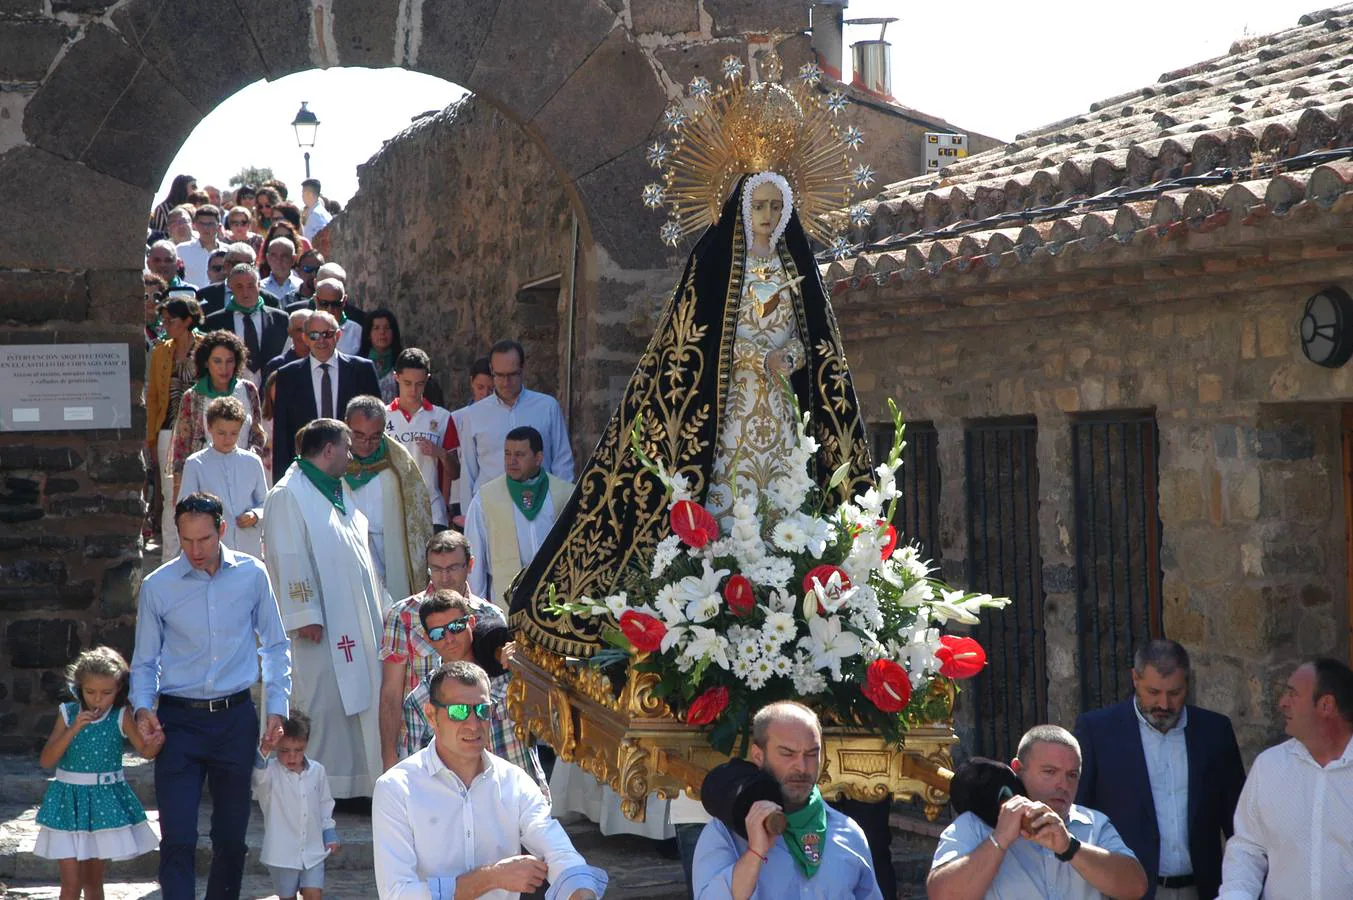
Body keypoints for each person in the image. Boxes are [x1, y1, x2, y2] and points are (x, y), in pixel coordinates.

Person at [131, 491, 292, 900]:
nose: (195, 550)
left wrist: (277, 707)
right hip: (178, 722)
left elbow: (274, 645)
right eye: (186, 541)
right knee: (178, 836)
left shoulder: (253, 574)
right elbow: (145, 660)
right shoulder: (158, 585)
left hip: (234, 720)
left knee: (231, 837)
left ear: (222, 530)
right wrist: (143, 709)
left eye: (204, 539)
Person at [372, 660, 608, 900]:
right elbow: (397, 893)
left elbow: (557, 850)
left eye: (483, 710)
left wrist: (581, 892)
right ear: (431, 716)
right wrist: (492, 878)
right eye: (459, 711)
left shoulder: (514, 781)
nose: (473, 724)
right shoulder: (396, 789)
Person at [262, 419, 385, 799]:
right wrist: (304, 613)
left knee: (353, 703)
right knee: (321, 704)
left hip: (352, 617)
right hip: (317, 626)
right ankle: (318, 786)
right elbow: (287, 553)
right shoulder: (289, 493)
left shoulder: (334, 489)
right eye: (347, 449)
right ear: (328, 450)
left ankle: (354, 784)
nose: (351, 457)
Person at [1075, 639, 1246, 900]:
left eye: (1175, 693)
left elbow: (1238, 821)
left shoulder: (1215, 732)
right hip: (1128, 892)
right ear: (1135, 679)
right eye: (1153, 692)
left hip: (1203, 890)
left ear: (1188, 682)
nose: (1164, 704)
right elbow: (1081, 814)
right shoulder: (1098, 732)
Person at [927, 724, 1148, 900]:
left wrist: (1070, 848)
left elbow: (1136, 887)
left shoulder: (1094, 824)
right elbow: (943, 895)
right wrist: (999, 840)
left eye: (1072, 775)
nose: (1063, 785)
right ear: (1017, 770)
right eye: (1050, 772)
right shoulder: (975, 824)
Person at [691, 701, 881, 899]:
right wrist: (755, 853)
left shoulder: (849, 833)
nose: (801, 767)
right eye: (787, 753)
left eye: (811, 754)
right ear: (758, 755)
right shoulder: (724, 833)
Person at [1218, 657, 1353, 899]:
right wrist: (1236, 895)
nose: (1282, 703)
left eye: (1293, 694)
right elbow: (1248, 847)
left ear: (1326, 705)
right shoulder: (1269, 766)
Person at [35, 646, 162, 899]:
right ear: (78, 688)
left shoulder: (120, 715)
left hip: (103, 806)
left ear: (118, 690)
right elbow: (47, 760)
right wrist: (73, 730)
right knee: (70, 884)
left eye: (106, 693)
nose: (97, 700)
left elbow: (145, 752)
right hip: (67, 805)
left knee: (93, 883)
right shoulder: (67, 713)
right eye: (90, 692)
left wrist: (156, 743)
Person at [396, 591, 545, 792]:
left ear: (472, 622)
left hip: (524, 799)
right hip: (462, 812)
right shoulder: (420, 699)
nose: (448, 638)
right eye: (438, 633)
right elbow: (417, 773)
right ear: (427, 639)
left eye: (456, 627)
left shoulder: (508, 669)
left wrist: (527, 658)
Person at [378, 530, 502, 770]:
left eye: (453, 568)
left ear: (470, 565)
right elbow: (391, 693)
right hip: (421, 740)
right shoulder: (402, 615)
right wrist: (389, 757)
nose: (444, 578)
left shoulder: (491, 615)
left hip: (480, 740)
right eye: (436, 569)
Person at [458, 339, 574, 513]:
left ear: (523, 369)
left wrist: (563, 508)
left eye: (512, 374)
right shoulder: (472, 415)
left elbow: (562, 461)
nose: (506, 382)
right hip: (492, 509)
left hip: (541, 506)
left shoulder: (547, 407)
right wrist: (468, 517)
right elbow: (468, 471)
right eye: (500, 375)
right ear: (491, 370)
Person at [465, 425, 571, 610]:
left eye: (520, 455)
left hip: (555, 599)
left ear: (538, 458)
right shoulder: (485, 498)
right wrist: (478, 608)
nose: (511, 461)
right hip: (506, 603)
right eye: (507, 454)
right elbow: (475, 557)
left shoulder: (565, 494)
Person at [344, 394, 434, 599]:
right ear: (346, 426)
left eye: (374, 437)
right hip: (348, 550)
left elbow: (417, 517)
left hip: (390, 551)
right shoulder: (332, 462)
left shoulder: (400, 465)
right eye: (358, 435)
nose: (366, 444)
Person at [271, 310, 381, 476]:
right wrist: (282, 479)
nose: (321, 340)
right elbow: (282, 435)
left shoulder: (362, 370)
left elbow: (377, 423)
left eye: (327, 334)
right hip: (307, 472)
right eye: (314, 335)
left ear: (338, 335)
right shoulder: (288, 376)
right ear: (305, 338)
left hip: (356, 470)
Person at [169, 329, 266, 501]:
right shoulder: (192, 397)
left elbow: (257, 434)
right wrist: (179, 491)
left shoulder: (248, 390)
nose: (224, 368)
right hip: (205, 477)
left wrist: (249, 460)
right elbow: (181, 448)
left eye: (229, 361)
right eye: (217, 361)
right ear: (206, 363)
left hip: (242, 474)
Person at [253, 711, 339, 900]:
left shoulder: (318, 772)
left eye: (298, 750)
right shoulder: (271, 772)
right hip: (282, 853)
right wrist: (264, 750)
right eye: (284, 751)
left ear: (306, 745)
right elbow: (257, 778)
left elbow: (325, 804)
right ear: (276, 747)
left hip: (313, 850)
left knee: (314, 894)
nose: (291, 757)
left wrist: (329, 832)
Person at [146, 296, 203, 559]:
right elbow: (155, 397)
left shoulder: (206, 347)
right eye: (164, 321)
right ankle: (170, 557)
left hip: (200, 431)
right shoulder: (160, 351)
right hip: (169, 430)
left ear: (188, 321)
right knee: (171, 497)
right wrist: (151, 436)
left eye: (172, 321)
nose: (166, 325)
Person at [179, 396, 268, 558]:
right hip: (213, 549)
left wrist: (255, 515)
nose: (228, 439)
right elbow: (185, 507)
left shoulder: (252, 462)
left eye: (234, 433)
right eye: (221, 433)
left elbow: (265, 502)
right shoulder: (195, 463)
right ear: (210, 427)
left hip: (248, 546)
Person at [386, 349, 458, 529]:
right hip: (392, 511)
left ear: (427, 379)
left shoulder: (442, 417)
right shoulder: (382, 416)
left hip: (432, 512)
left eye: (419, 384)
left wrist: (439, 453)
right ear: (396, 377)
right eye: (407, 383)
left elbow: (456, 472)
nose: (413, 390)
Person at [203, 262, 290, 387]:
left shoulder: (280, 319)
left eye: (250, 286)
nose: (245, 292)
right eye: (239, 287)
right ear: (230, 287)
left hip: (271, 392)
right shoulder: (213, 322)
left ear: (259, 285)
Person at [448, 356, 494, 526]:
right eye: (480, 387)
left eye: (491, 389)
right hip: (459, 495)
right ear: (471, 383)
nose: (485, 394)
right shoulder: (456, 418)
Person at [196, 242, 265, 318]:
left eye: (248, 265)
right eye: (238, 264)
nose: (243, 270)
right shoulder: (205, 295)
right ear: (226, 265)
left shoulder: (269, 299)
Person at [358, 307, 403, 402]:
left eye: (387, 328)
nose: (382, 332)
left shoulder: (402, 363)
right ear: (369, 334)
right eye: (376, 328)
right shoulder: (358, 365)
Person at [176, 204, 222, 288]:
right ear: (195, 225)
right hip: (190, 298)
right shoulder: (181, 250)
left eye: (210, 224)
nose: (206, 228)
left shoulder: (228, 252)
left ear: (219, 227)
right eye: (202, 224)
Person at [313, 278, 362, 355]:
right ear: (315, 299)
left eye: (336, 304)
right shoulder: (301, 326)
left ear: (344, 301)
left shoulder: (357, 331)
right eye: (324, 303)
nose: (330, 310)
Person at [266, 309, 313, 383]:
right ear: (290, 332)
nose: (303, 335)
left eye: (308, 330)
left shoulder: (324, 362)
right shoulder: (277, 365)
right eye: (299, 330)